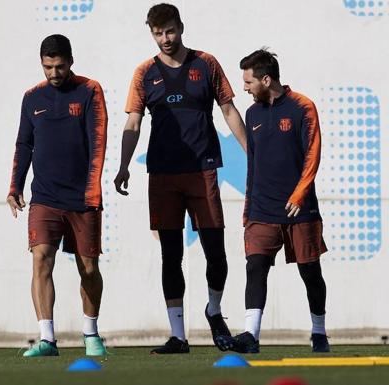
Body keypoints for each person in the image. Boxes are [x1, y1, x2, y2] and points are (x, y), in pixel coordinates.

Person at [114, 3, 247, 354]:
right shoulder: (144, 72)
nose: (165, 38)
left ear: (181, 27)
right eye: (158, 33)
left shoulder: (206, 64)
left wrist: (253, 154)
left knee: (216, 253)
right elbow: (133, 123)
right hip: (162, 175)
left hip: (202, 170)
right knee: (170, 256)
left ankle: (214, 311)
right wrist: (124, 164)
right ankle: (178, 335)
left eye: (170, 31)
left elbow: (229, 110)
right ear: (151, 34)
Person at [215, 48, 329, 353]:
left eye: (249, 82)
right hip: (262, 210)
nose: (244, 88)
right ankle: (251, 336)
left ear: (266, 79)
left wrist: (299, 193)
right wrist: (248, 208)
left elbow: (312, 154)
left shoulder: (303, 107)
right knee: (256, 267)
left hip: (300, 209)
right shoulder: (252, 114)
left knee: (311, 273)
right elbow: (254, 163)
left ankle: (319, 332)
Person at [7, 34, 108, 357]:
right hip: (45, 197)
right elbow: (24, 144)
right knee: (40, 259)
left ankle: (90, 333)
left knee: (88, 268)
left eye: (60, 66)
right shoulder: (31, 98)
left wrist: (93, 188)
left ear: (71, 61)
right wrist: (15, 186)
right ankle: (47, 339)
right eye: (48, 66)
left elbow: (99, 140)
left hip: (82, 197)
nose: (54, 73)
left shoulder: (89, 90)